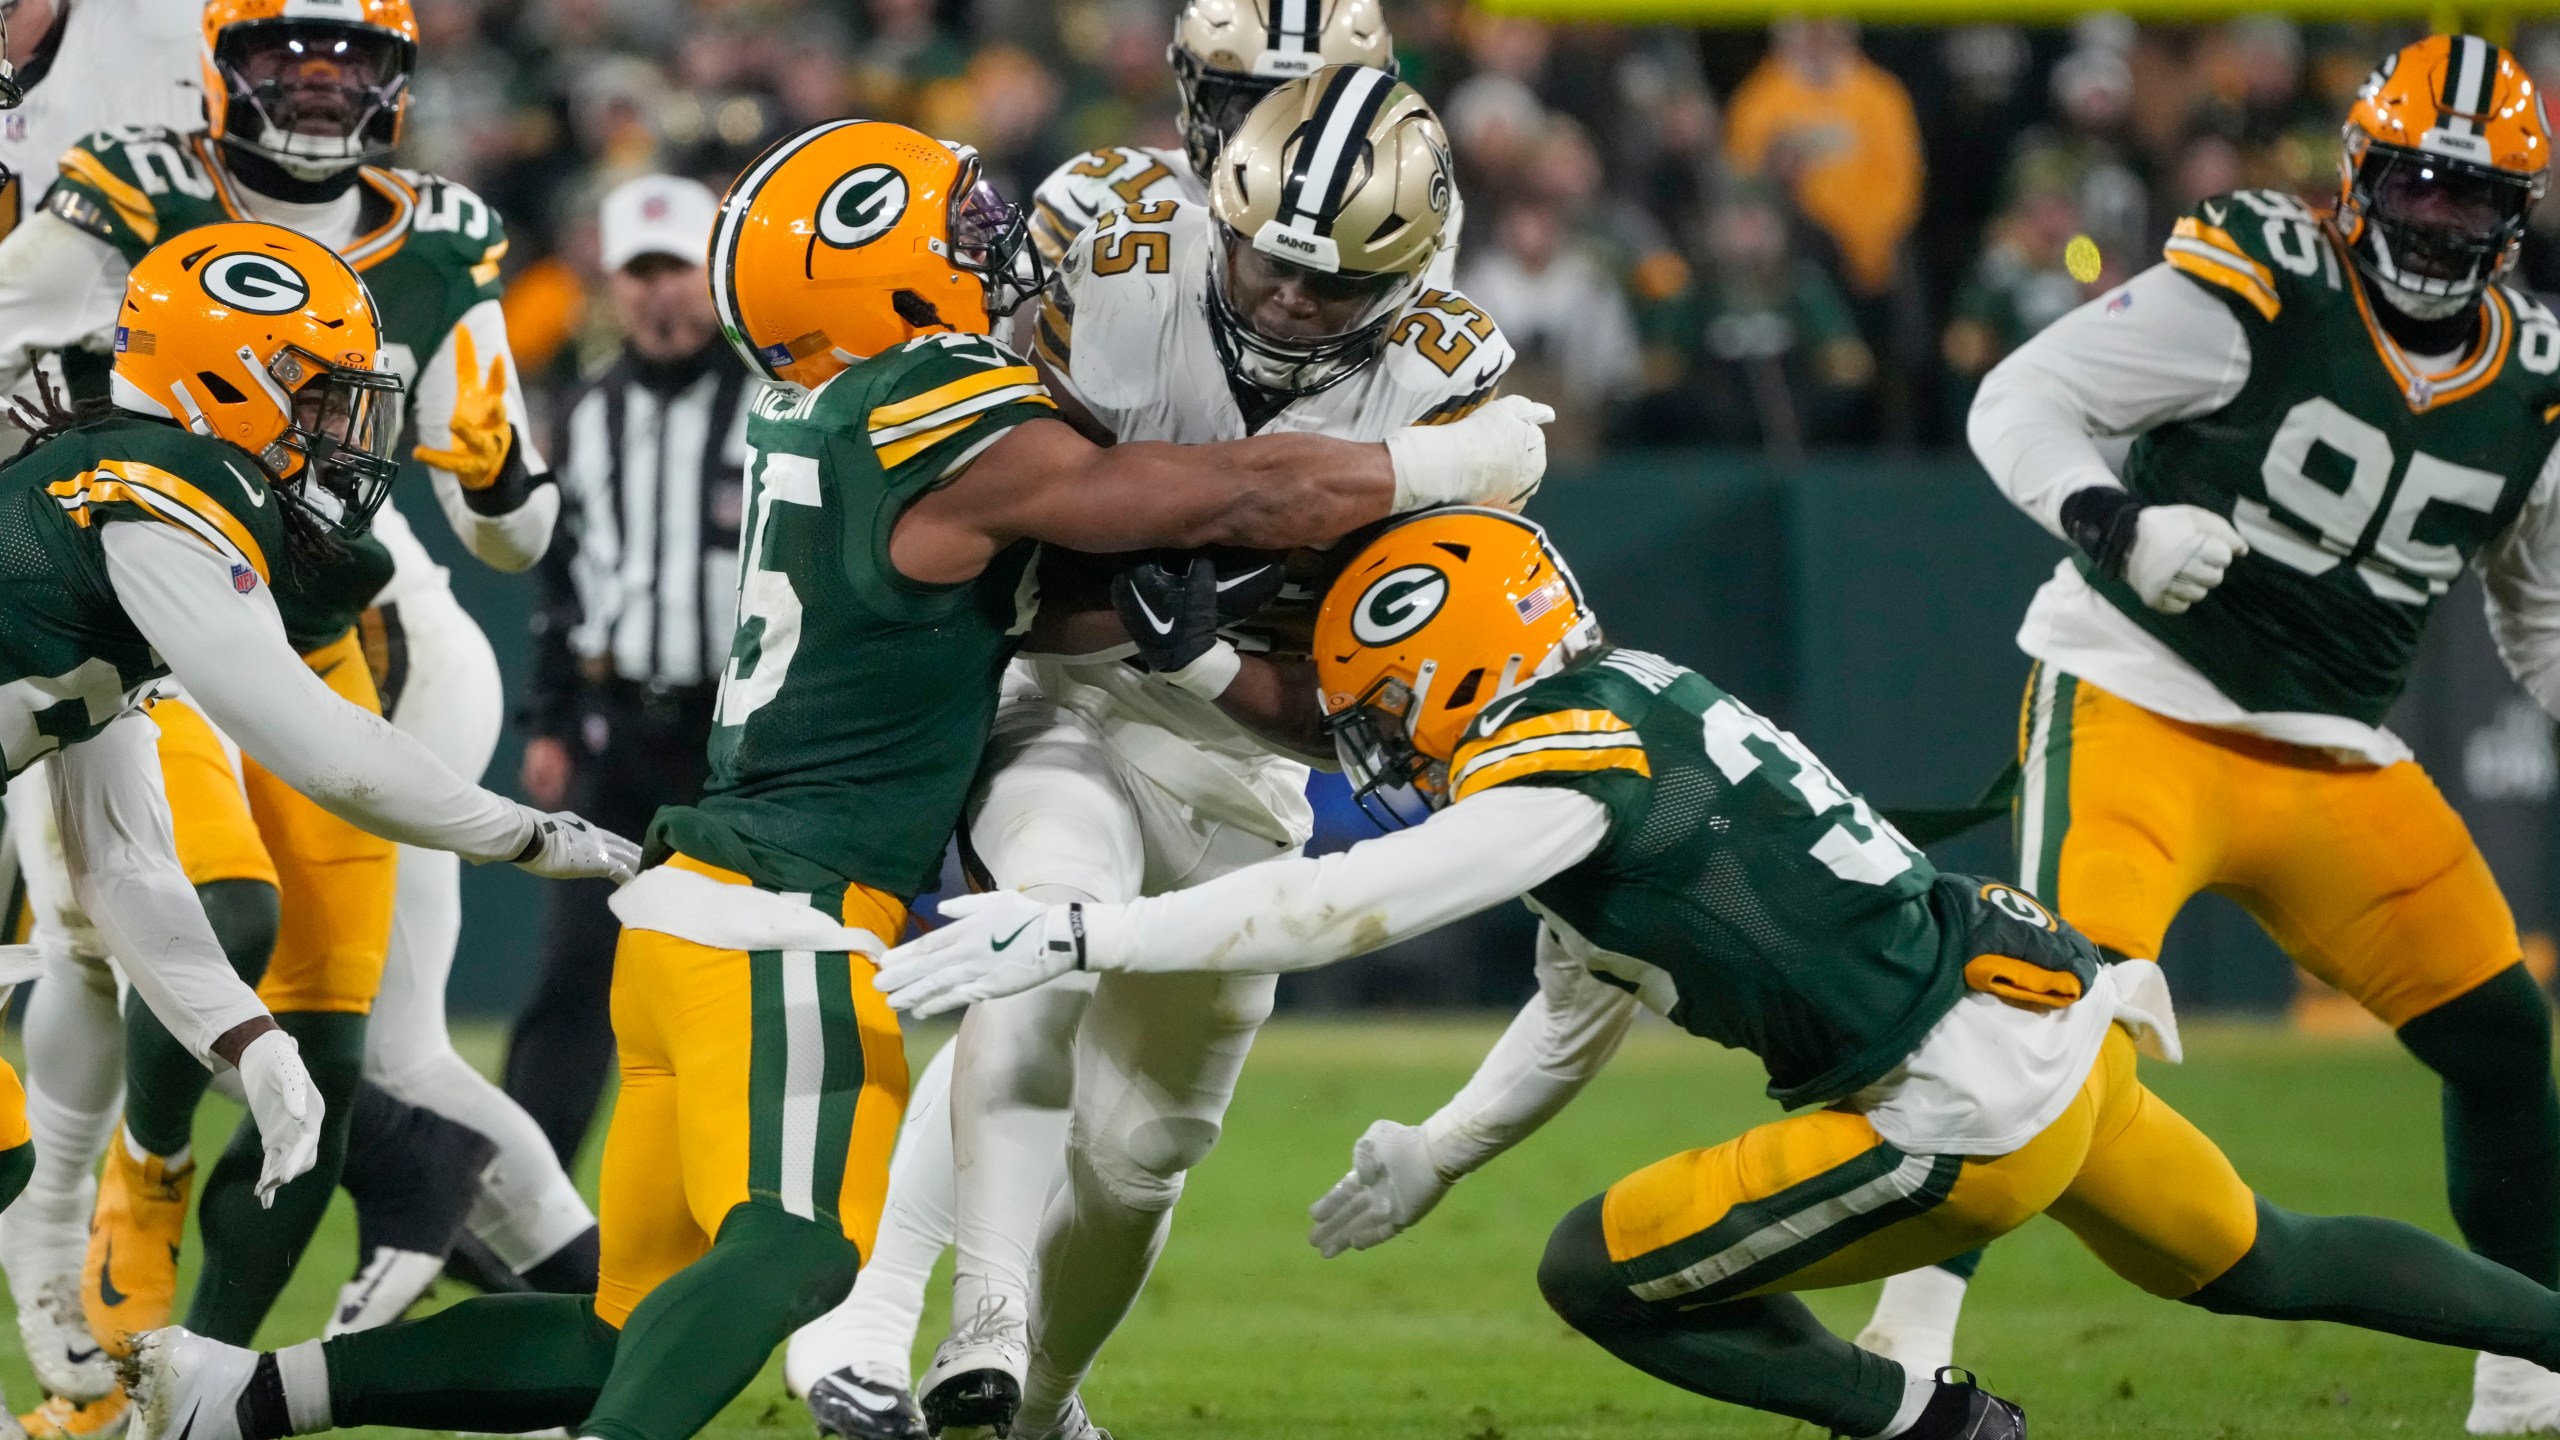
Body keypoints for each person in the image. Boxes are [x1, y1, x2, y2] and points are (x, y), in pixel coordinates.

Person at [123, 115, 1549, 1440]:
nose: (995, 247)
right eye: (956, 231)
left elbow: (1052, 603)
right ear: (889, 282)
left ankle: (242, 1398)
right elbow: (1239, 491)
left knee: (616, 1333)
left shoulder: (836, 412)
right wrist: (1445, 458)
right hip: (793, 924)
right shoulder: (950, 410)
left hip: (694, 912)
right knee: (801, 1256)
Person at [875, 505, 2560, 1440]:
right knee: (2266, 1258)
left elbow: (1342, 909)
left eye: (1381, 703)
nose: (1375, 743)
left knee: (1596, 1272)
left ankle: (1927, 1428)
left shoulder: (1551, 771)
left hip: (1948, 1105)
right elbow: (1578, 993)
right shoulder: (1644, 697)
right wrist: (1437, 1149)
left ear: (1458, 662)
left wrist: (1091, 928)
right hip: (2038, 1012)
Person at [1852, 36, 2560, 1432]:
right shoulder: (2263, 287)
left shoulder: (2534, 382)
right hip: (2140, 696)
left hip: (2333, 751)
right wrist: (2107, 517)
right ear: (2359, 177)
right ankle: (1905, 1337)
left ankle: (2529, 1363)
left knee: (2499, 1035)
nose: (2433, 222)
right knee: (2043, 1021)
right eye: (2414, 186)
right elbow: (2024, 398)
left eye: (2469, 201)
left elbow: (2540, 614)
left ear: (2514, 219)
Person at [789, 65, 1496, 1440]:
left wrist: (1218, 654)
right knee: (1047, 930)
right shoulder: (1103, 248)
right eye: (1271, 263)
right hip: (1059, 695)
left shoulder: (1453, 380)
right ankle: (907, 1324)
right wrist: (1127, 588)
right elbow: (989, 509)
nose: (1292, 300)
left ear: (1409, 274)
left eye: (1334, 285)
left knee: (1140, 1162)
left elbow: (1360, 711)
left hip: (1242, 764)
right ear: (1222, 205)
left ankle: (1044, 1404)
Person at [0, 0, 599, 1377]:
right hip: (151, 607)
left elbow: (508, 521)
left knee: (349, 1045)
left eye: (352, 54)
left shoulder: (436, 236)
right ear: (226, 65)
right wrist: (538, 838)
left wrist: (505, 472)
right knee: (156, 931)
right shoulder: (132, 202)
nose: (321, 80)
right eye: (286, 50)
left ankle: (219, 1366)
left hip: (347, 615)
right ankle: (107, 1223)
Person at [510, 173, 751, 1169]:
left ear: (713, 276)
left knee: (733, 979)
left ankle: (734, 1192)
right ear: (613, 286)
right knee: (578, 979)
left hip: (737, 743)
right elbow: (565, 584)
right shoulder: (584, 414)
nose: (662, 295)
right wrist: (552, 721)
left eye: (679, 271)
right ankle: (516, 1211)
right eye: (641, 273)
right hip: (617, 736)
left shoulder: (774, 406)